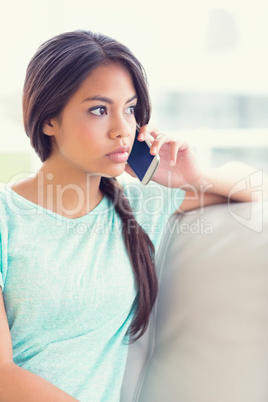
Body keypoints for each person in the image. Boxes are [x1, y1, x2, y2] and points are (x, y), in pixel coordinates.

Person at [0, 30, 265, 402]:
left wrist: (193, 177)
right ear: (48, 120)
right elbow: (1, 373)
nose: (122, 129)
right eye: (99, 109)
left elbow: (256, 188)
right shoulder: (6, 219)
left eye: (129, 108)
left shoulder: (136, 209)